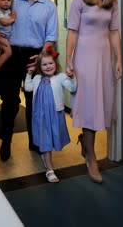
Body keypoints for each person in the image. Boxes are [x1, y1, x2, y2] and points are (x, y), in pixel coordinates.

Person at [0, 0, 58, 161]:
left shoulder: (49, 7)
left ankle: (34, 141)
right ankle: (6, 140)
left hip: (35, 57)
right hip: (13, 56)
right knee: (10, 102)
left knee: (33, 102)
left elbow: (50, 37)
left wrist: (40, 57)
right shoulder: (13, 1)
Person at [66, 0, 122, 183]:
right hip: (84, 60)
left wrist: (119, 60)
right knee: (89, 107)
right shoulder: (78, 0)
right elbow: (72, 32)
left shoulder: (112, 1)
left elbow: (115, 32)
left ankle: (86, 145)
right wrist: (69, 60)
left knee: (102, 106)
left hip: (104, 59)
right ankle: (91, 156)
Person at [24, 47, 77, 183]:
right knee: (46, 140)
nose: (48, 67)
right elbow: (28, 87)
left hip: (54, 115)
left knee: (51, 139)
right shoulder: (36, 78)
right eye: (44, 64)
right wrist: (29, 75)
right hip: (40, 116)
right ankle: (49, 170)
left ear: (56, 64)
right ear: (40, 67)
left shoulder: (60, 77)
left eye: (51, 63)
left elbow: (72, 88)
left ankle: (46, 159)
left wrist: (73, 76)